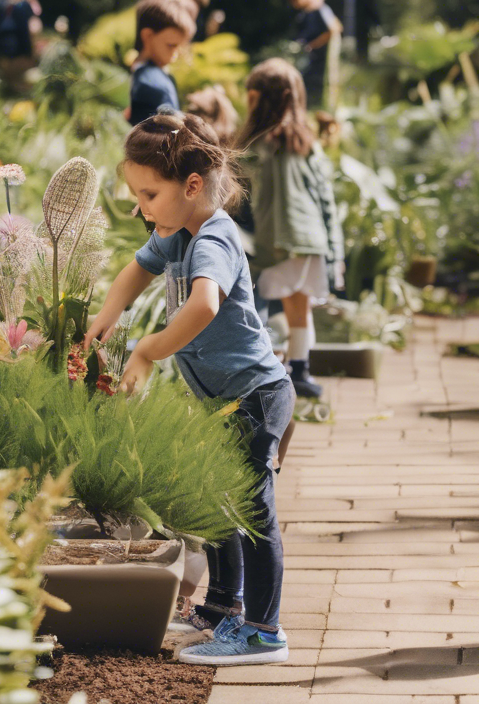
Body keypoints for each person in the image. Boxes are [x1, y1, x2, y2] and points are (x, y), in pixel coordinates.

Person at [82, 112, 293, 666]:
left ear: (192, 186)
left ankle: (264, 632)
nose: (140, 207)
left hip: (255, 396)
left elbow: (204, 304)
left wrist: (148, 349)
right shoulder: (175, 234)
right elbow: (136, 268)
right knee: (214, 497)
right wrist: (109, 311)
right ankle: (223, 608)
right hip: (224, 401)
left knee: (250, 510)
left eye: (149, 193)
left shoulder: (213, 238)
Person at [237, 58, 343, 399]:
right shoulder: (306, 143)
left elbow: (243, 196)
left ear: (258, 99)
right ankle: (300, 368)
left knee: (257, 306)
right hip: (308, 240)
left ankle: (262, 370)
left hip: (270, 242)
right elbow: (326, 199)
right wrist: (333, 249)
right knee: (300, 307)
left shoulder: (255, 146)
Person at [127, 0, 195, 126]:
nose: (176, 53)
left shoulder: (139, 71)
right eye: (171, 45)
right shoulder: (155, 84)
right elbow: (175, 128)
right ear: (148, 36)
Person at [279, 0, 342, 109]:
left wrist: (313, 46)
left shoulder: (319, 9)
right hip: (308, 65)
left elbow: (334, 28)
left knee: (313, 100)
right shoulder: (307, 12)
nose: (293, 1)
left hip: (317, 68)